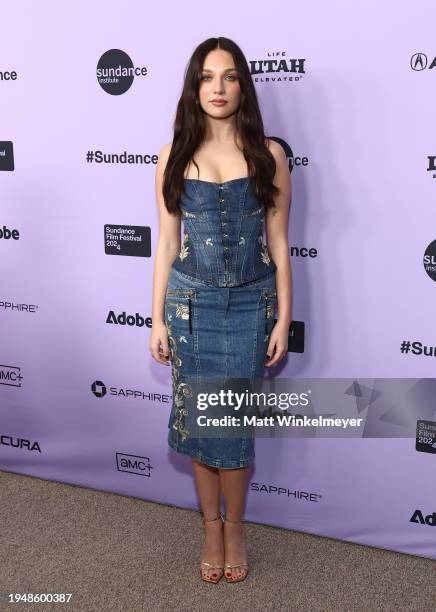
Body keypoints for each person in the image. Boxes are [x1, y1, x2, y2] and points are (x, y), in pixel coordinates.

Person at [149, 36, 292, 584]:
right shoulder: (174, 155)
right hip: (189, 305)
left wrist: (282, 316)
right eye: (208, 77)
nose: (218, 87)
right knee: (200, 427)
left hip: (249, 305)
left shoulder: (269, 155)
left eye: (229, 76)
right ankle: (211, 526)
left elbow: (280, 245)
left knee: (230, 427)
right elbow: (166, 243)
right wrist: (157, 319)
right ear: (195, 86)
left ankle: (236, 526)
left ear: (243, 86)